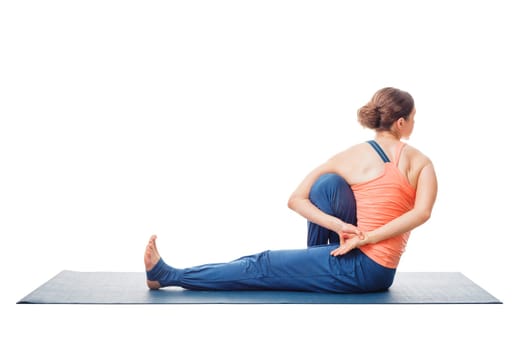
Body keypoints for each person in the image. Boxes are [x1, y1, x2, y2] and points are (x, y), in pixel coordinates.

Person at [144, 87, 438, 293]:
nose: (414, 122)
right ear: (401, 122)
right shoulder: (421, 162)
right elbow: (421, 212)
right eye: (414, 117)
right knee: (328, 186)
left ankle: (167, 276)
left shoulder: (351, 156)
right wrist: (343, 227)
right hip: (377, 269)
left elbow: (296, 199)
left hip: (364, 270)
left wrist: (365, 238)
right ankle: (319, 258)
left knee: (263, 264)